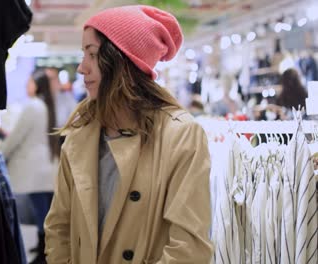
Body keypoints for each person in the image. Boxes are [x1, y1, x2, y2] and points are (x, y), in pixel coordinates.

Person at [44, 5, 213, 264]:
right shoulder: (79, 137)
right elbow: (58, 229)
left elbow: (188, 248)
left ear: (122, 61)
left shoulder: (181, 136)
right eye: (83, 54)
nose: (81, 68)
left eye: (92, 54)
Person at [1, 69, 60, 264]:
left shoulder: (33, 106)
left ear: (37, 85)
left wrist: (2, 154)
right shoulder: (47, 105)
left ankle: (43, 252)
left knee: (40, 214)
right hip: (47, 168)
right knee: (45, 213)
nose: (27, 86)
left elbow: (17, 137)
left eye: (30, 83)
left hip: (32, 170)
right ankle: (45, 248)